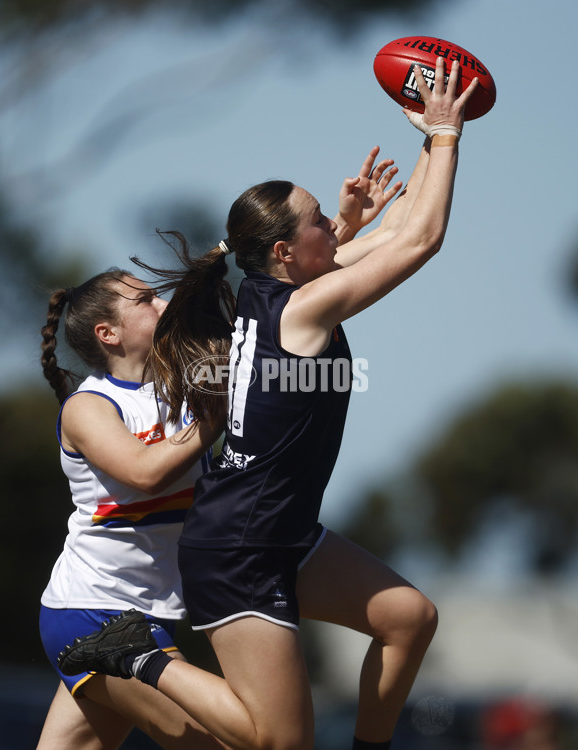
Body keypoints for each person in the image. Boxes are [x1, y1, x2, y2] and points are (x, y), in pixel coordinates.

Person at [59, 59, 478, 750]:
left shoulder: (284, 290)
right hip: (240, 546)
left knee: (409, 617)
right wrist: (446, 135)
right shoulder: (306, 308)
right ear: (285, 251)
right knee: (279, 743)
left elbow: (399, 225)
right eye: (319, 220)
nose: (334, 225)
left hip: (278, 531)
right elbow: (421, 239)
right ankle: (136, 655)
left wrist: (428, 139)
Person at [37, 270, 226, 750]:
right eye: (145, 300)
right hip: (96, 616)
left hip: (144, 614)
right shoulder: (89, 407)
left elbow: (280, 319)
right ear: (109, 334)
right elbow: (144, 472)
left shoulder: (186, 378)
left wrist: (339, 236)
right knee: (227, 741)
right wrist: (214, 415)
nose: (163, 304)